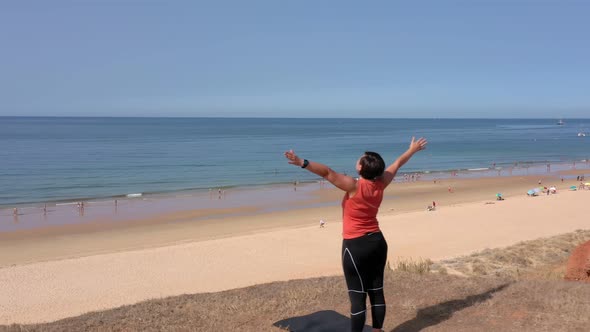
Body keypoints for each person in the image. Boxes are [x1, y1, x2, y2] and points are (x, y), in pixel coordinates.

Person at [284, 136, 428, 332]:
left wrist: (302, 162)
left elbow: (327, 172)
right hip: (377, 242)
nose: (358, 160)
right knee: (376, 291)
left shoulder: (353, 186)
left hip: (355, 246)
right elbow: (397, 163)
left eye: (360, 159)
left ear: (361, 168)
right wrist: (412, 150)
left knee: (358, 295)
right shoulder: (381, 182)